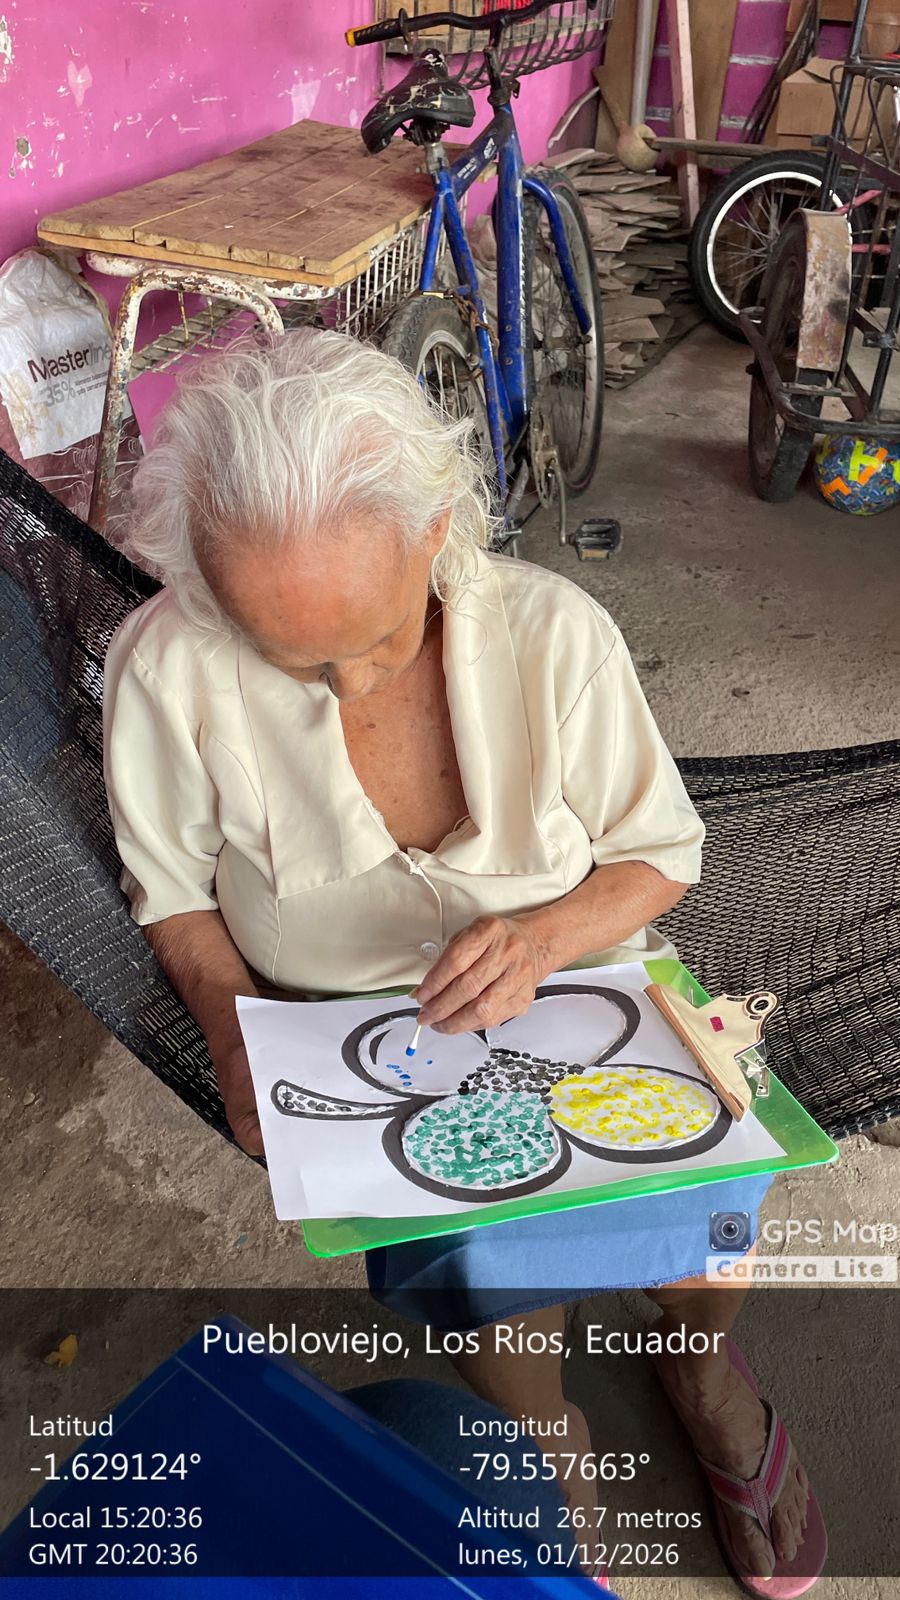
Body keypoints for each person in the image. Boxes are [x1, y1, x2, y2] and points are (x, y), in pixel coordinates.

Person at [103, 330, 823, 1595]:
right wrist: (232, 1025)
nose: (345, 685)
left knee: (710, 1210)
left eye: (377, 637)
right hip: (370, 1058)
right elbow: (170, 890)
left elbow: (662, 854)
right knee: (491, 1259)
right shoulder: (168, 664)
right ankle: (544, 1436)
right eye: (288, 655)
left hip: (590, 995)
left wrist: (544, 937)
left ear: (436, 531)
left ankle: (699, 1360)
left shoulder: (554, 636)